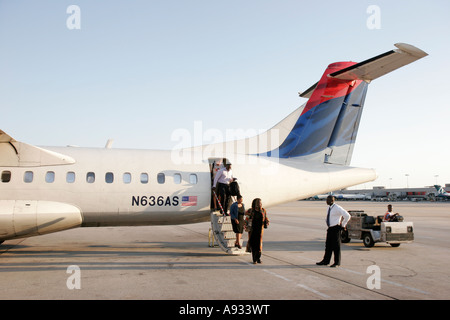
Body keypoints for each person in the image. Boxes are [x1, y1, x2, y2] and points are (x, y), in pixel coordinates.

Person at [316, 195, 350, 268]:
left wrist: (343, 225)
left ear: (332, 201)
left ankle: (337, 262)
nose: (326, 201)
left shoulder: (337, 208)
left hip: (336, 228)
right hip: (330, 228)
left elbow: (347, 216)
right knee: (328, 246)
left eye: (328, 200)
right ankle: (326, 261)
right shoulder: (329, 207)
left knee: (336, 247)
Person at [245, 198, 269, 264]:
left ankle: (258, 258)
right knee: (253, 245)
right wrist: (246, 225)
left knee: (259, 246)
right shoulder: (251, 211)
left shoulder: (263, 210)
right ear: (255, 204)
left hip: (260, 231)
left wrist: (267, 222)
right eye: (259, 203)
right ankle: (254, 259)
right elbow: (246, 218)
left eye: (261, 203)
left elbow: (266, 218)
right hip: (252, 230)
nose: (260, 204)